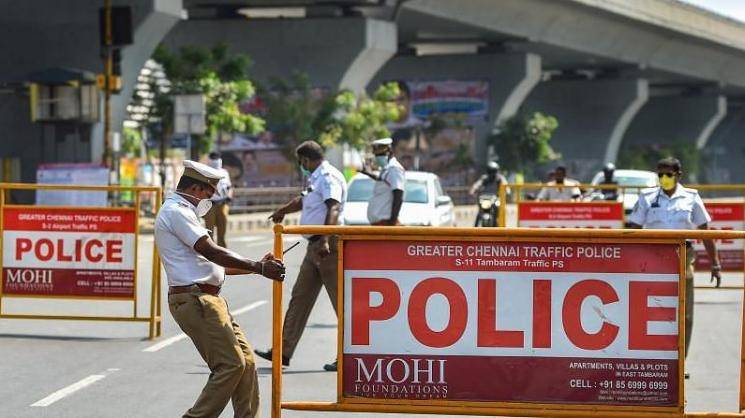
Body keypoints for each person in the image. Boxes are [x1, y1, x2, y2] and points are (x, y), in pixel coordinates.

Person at [154, 160, 285, 418]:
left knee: (246, 363)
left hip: (207, 299)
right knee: (230, 365)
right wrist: (258, 268)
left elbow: (213, 266)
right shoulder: (176, 212)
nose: (212, 197)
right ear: (194, 188)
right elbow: (211, 251)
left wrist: (258, 266)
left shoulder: (187, 214)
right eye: (209, 191)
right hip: (196, 300)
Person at [254, 140, 347, 372]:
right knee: (300, 298)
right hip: (313, 246)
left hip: (328, 245)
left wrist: (325, 237)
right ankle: (282, 351)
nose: (301, 165)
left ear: (306, 159)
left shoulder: (328, 176)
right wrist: (283, 211)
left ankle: (348, 355)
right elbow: (304, 200)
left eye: (301, 162)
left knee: (341, 303)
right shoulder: (315, 178)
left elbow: (333, 207)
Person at [627, 156, 721, 360]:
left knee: (683, 312)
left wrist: (715, 263)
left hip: (682, 256)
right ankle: (651, 360)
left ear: (679, 175)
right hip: (653, 257)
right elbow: (633, 229)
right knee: (647, 309)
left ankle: (680, 362)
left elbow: (704, 231)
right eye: (660, 174)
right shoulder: (647, 197)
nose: (664, 178)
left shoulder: (691, 197)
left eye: (668, 174)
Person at [360, 137, 405, 225]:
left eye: (380, 155)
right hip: (380, 223)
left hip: (386, 223)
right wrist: (369, 173)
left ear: (389, 151)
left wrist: (392, 222)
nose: (377, 157)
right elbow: (383, 182)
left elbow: (398, 194)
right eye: (376, 155)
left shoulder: (394, 168)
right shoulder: (387, 169)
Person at [204, 152, 233, 248]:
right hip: (209, 205)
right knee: (209, 233)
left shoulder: (224, 172)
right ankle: (211, 256)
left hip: (222, 204)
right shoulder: (204, 172)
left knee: (222, 233)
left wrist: (229, 196)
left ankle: (224, 256)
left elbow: (229, 187)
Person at [469, 161, 509, 226]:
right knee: (480, 212)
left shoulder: (500, 178)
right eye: (490, 172)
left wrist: (507, 191)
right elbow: (477, 184)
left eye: (493, 172)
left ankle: (497, 225)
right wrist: (473, 190)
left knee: (498, 210)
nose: (492, 174)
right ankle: (475, 228)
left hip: (495, 199)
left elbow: (505, 185)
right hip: (485, 199)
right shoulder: (484, 178)